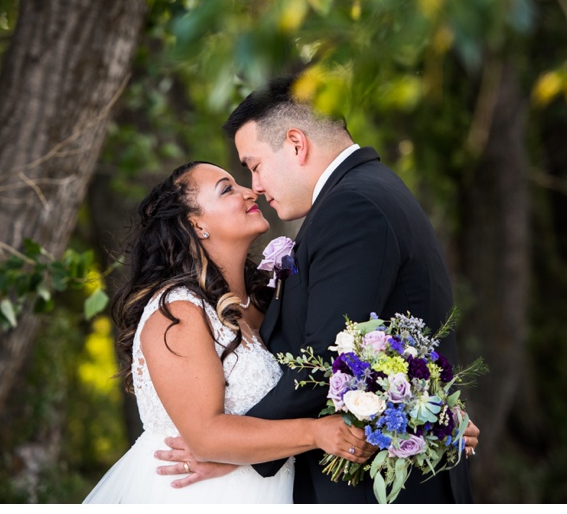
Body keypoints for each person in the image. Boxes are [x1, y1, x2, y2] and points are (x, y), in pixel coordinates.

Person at [156, 75, 479, 503]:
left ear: (295, 143)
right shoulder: (365, 193)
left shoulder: (352, 207)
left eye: (254, 165)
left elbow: (322, 361)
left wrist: (237, 452)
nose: (255, 185)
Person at [82, 161, 376, 503]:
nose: (250, 191)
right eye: (227, 189)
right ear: (197, 224)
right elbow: (205, 437)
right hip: (198, 495)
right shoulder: (177, 312)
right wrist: (315, 433)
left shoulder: (266, 301)